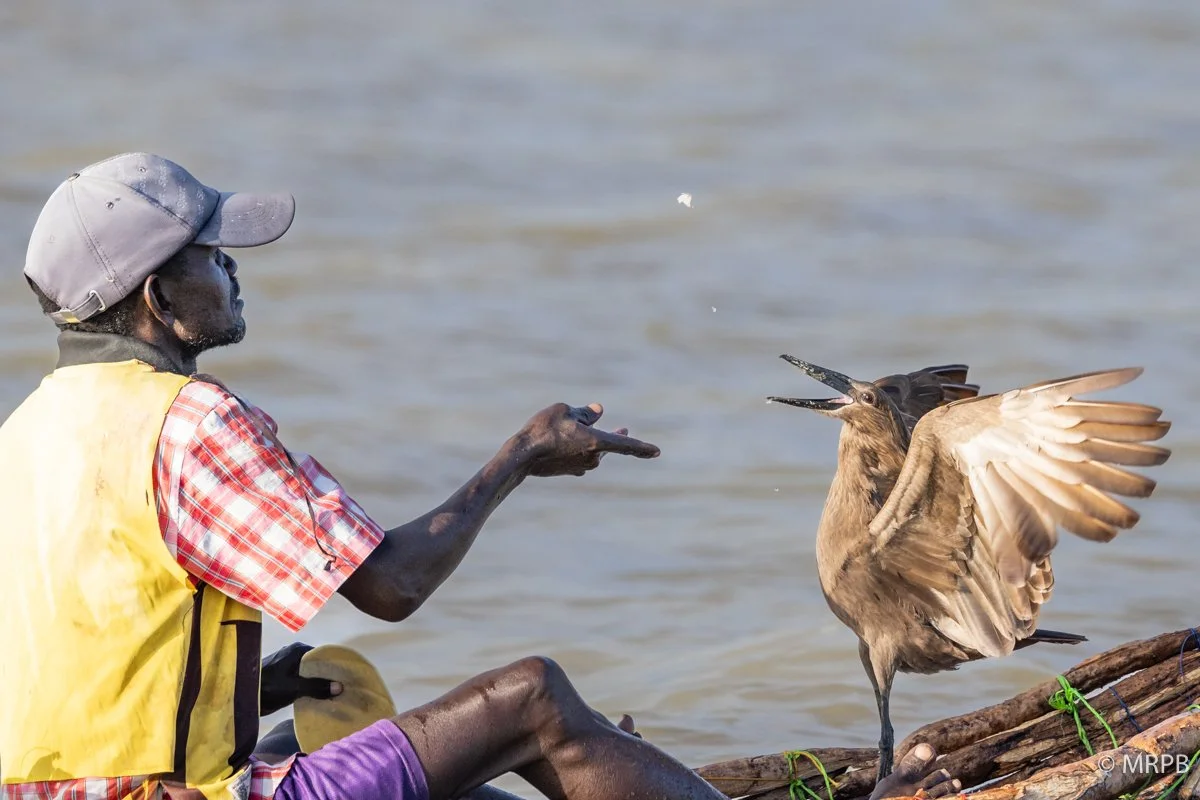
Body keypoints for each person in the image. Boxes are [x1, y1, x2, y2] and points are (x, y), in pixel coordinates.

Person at [0, 153, 961, 800]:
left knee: (351, 714)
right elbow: (391, 585)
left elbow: (79, 649)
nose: (235, 271)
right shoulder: (190, 423)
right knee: (532, 698)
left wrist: (264, 685)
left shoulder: (27, 432)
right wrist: (521, 458)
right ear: (161, 300)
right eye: (215, 256)